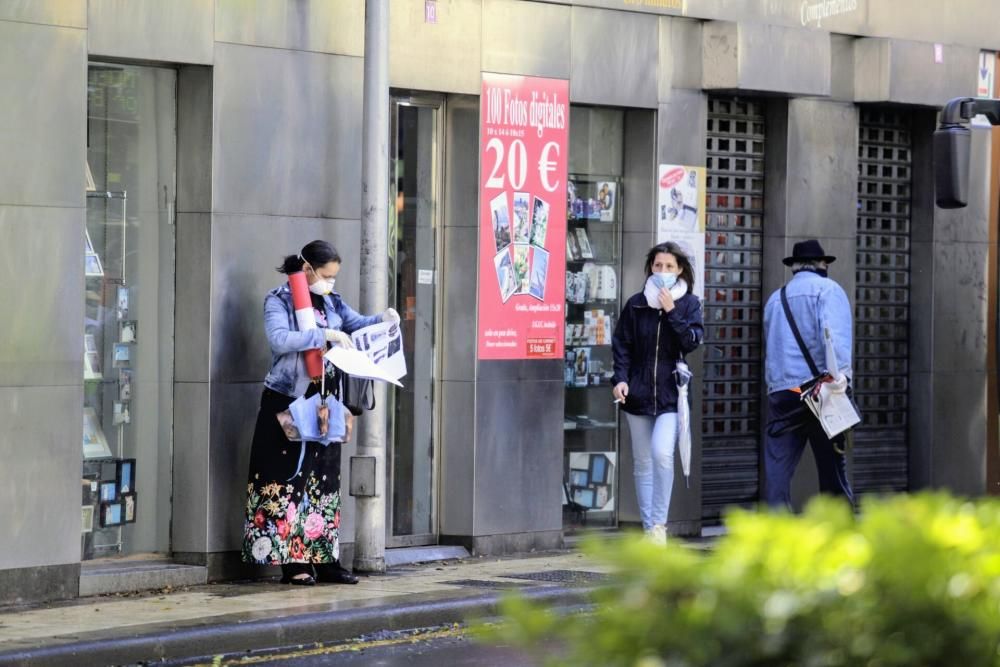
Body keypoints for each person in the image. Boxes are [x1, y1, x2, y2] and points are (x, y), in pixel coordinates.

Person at [242, 240, 399, 586]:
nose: (330, 282)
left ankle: (325, 559)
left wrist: (384, 320)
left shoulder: (332, 301)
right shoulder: (279, 299)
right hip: (289, 399)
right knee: (288, 479)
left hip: (326, 402)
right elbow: (280, 339)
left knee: (322, 483)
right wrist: (321, 335)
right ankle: (293, 563)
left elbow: (356, 323)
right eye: (326, 275)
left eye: (334, 277)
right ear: (308, 269)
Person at [612, 242, 704, 544]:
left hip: (671, 395)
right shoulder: (637, 304)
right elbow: (623, 344)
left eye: (669, 266)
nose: (662, 271)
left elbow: (691, 342)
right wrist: (621, 379)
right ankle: (650, 529)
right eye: (657, 266)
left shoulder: (689, 304)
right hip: (637, 393)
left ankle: (659, 525)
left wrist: (672, 311)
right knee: (642, 463)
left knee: (662, 454)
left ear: (679, 270)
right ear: (650, 268)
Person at [762, 239, 854, 510]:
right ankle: (839, 528)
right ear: (822, 264)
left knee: (777, 467)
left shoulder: (775, 299)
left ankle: (775, 527)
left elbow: (772, 345)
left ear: (794, 268)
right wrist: (841, 380)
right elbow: (833, 337)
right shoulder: (829, 290)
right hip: (821, 392)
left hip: (783, 393)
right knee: (832, 465)